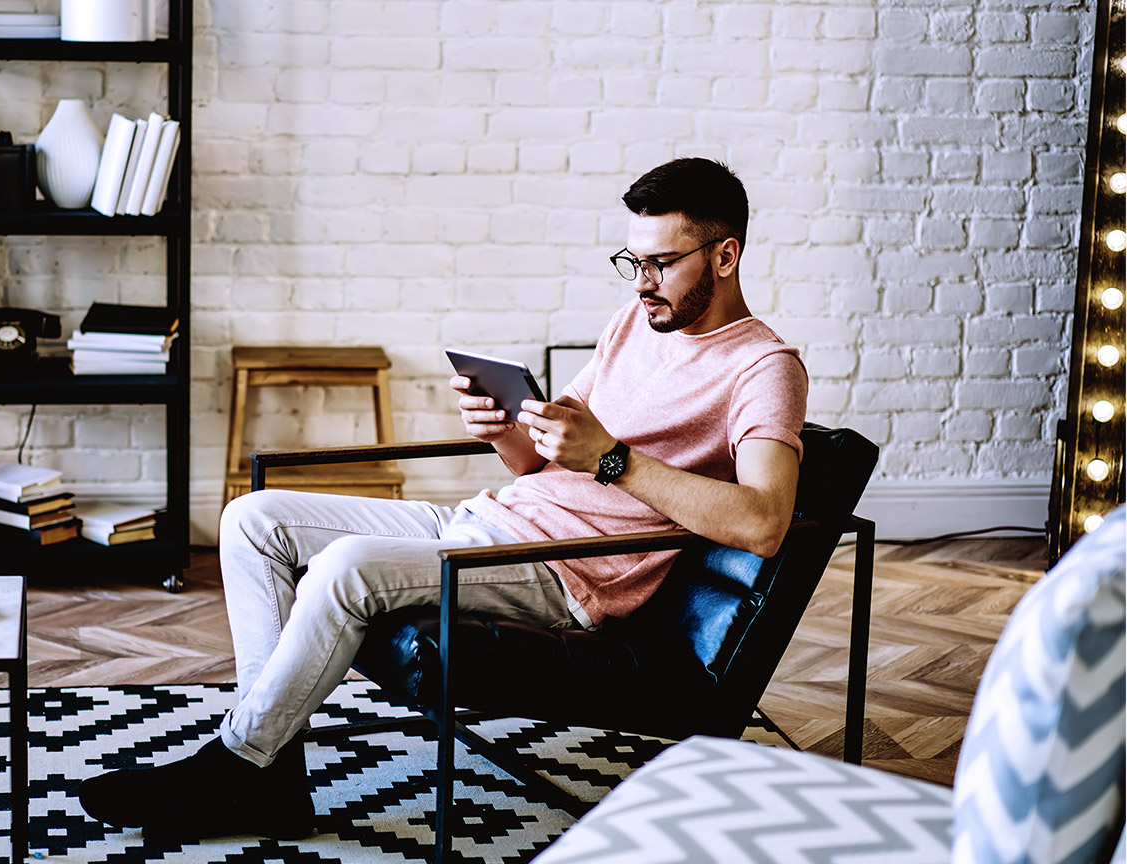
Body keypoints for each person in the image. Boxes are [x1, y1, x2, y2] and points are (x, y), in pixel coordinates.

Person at [77, 157, 809, 843]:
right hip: (493, 523)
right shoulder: (632, 324)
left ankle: (239, 763)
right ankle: (274, 767)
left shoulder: (764, 367)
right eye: (633, 262)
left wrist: (614, 459)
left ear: (724, 255)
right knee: (251, 518)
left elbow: (765, 523)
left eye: (661, 264)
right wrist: (504, 431)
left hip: (565, 573)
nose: (642, 282)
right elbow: (544, 468)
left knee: (347, 566)